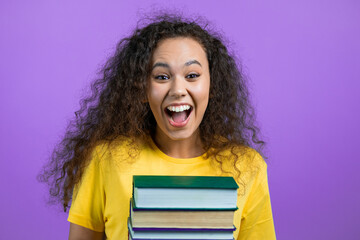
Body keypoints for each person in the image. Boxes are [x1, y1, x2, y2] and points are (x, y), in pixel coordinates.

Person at [39, 14, 276, 240]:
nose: (177, 90)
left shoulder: (248, 166)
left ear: (213, 86)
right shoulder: (106, 159)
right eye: (162, 77)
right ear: (142, 89)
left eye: (192, 75)